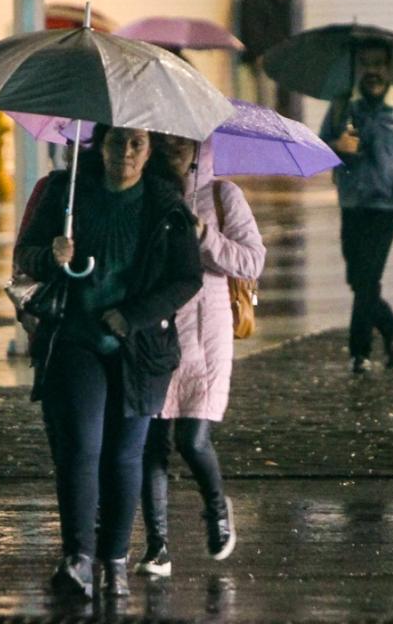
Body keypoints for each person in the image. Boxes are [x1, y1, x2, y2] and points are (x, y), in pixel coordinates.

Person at [13, 125, 203, 599]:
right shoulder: (66, 192)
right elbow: (26, 255)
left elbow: (187, 278)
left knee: (123, 454)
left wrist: (133, 316)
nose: (126, 152)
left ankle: (114, 559)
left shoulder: (165, 206)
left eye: (137, 143)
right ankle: (78, 556)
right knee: (81, 445)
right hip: (76, 339)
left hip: (140, 349)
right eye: (117, 142)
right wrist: (51, 255)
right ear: (100, 145)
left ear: (150, 150)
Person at [137, 135, 266, 578]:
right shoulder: (145, 192)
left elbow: (251, 261)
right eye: (165, 136)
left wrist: (204, 235)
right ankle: (157, 546)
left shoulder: (223, 196)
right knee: (153, 442)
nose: (175, 144)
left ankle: (216, 508)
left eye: (184, 137)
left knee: (192, 440)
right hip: (156, 330)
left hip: (206, 335)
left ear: (200, 143)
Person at [318, 39, 393, 373]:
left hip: (388, 205)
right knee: (357, 277)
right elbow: (319, 145)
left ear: (388, 68)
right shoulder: (342, 106)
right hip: (352, 201)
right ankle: (389, 324)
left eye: (379, 64)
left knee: (368, 278)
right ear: (358, 68)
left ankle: (359, 351)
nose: (373, 71)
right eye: (366, 64)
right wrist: (336, 145)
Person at [236, 0, 291, 108]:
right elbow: (252, 28)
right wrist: (259, 52)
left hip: (269, 54)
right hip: (261, 55)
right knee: (265, 100)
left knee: (268, 98)